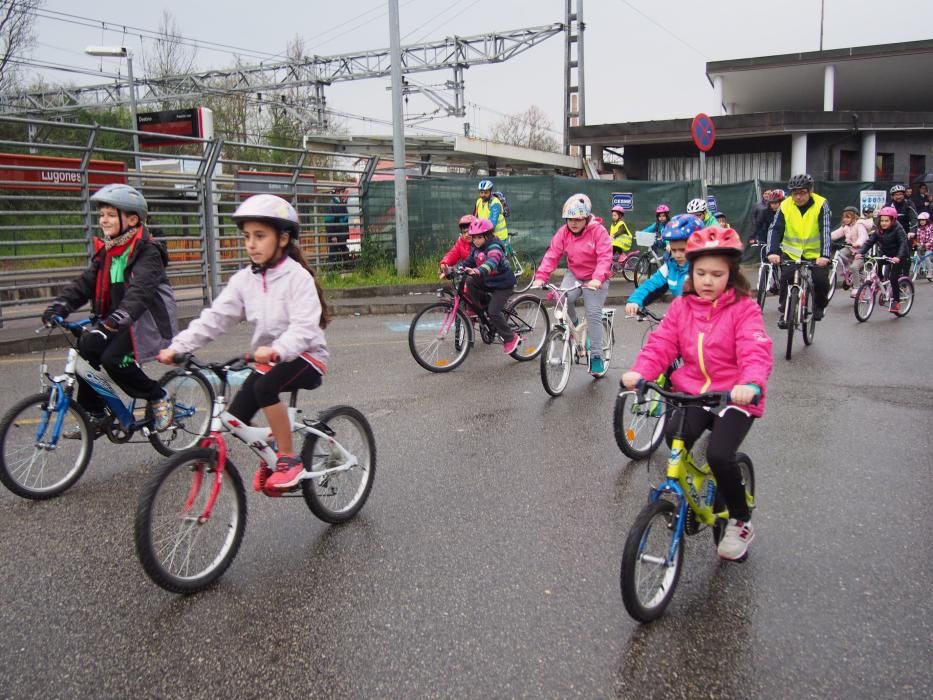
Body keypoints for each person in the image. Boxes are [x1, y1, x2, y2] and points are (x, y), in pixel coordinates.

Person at [157, 194, 330, 492]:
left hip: (305, 356)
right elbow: (216, 318)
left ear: (284, 238)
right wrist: (180, 346)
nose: (251, 243)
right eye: (247, 236)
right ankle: (271, 454)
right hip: (268, 362)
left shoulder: (297, 278)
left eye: (260, 236)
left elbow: (304, 327)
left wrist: (278, 350)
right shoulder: (244, 280)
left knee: (265, 388)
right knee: (236, 419)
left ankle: (289, 458)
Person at [621, 226, 773, 561]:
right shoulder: (682, 307)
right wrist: (641, 372)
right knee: (675, 434)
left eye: (717, 274)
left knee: (720, 455)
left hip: (734, 397)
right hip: (694, 393)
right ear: (690, 272)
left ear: (731, 274)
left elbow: (755, 349)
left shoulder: (744, 309)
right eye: (700, 272)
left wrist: (751, 384)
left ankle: (740, 520)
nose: (707, 280)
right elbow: (661, 344)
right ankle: (694, 492)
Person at [41, 184, 177, 438]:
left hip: (144, 321)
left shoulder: (148, 251)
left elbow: (140, 293)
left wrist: (112, 323)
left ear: (132, 219)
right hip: (116, 320)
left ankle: (158, 395)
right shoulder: (108, 251)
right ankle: (95, 414)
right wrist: (60, 305)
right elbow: (84, 284)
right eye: (101, 214)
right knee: (86, 350)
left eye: (111, 215)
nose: (103, 220)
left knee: (113, 359)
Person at [531, 193, 613, 376]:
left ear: (586, 218)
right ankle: (575, 326)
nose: (573, 223)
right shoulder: (563, 233)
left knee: (593, 313)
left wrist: (598, 278)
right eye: (570, 219)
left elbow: (605, 257)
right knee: (561, 298)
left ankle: (597, 356)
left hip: (596, 278)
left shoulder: (598, 231)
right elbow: (552, 254)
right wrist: (541, 276)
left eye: (578, 219)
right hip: (575, 274)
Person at [766, 173, 832, 328]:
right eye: (795, 193)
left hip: (816, 254)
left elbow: (826, 230)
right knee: (786, 278)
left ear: (810, 191)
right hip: (792, 252)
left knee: (820, 280)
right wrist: (772, 252)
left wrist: (825, 255)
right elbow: (775, 229)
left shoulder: (821, 204)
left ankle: (819, 306)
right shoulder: (785, 205)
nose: (799, 197)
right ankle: (784, 311)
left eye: (802, 193)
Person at [461, 217, 520, 354]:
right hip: (488, 281)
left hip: (503, 284)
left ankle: (510, 338)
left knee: (493, 311)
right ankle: (477, 308)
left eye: (479, 237)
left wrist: (478, 270)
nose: (476, 240)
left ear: (487, 236)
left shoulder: (494, 247)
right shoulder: (476, 248)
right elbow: (468, 262)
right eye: (473, 237)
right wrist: (453, 269)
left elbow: (492, 262)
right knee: (469, 281)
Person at [624, 214, 702, 314]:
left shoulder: (704, 269)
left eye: (683, 250)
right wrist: (635, 300)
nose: (677, 255)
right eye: (674, 250)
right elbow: (652, 284)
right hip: (682, 318)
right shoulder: (671, 267)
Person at [856, 206, 910, 313]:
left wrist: (898, 257)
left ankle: (896, 300)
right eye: (882, 221)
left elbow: (903, 244)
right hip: (885, 254)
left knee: (893, 277)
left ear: (893, 220)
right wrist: (860, 252)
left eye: (887, 221)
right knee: (877, 262)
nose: (884, 223)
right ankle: (879, 281)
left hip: (900, 256)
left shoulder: (898, 229)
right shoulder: (879, 230)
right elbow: (869, 242)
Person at [830, 205, 870, 297]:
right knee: (839, 254)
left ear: (854, 217)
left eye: (848, 217)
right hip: (850, 248)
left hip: (861, 250)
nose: (845, 219)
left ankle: (856, 287)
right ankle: (847, 271)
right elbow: (835, 234)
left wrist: (858, 243)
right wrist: (826, 237)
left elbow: (863, 236)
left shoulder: (859, 225)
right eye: (844, 217)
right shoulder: (845, 227)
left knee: (855, 267)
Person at [324, 187, 350, 265]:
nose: (345, 194)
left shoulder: (342, 204)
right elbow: (328, 221)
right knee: (334, 255)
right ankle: (332, 272)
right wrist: (332, 236)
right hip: (336, 236)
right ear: (337, 193)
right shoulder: (332, 204)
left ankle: (345, 269)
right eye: (343, 192)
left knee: (344, 253)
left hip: (342, 235)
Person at [914, 211, 933, 280]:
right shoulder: (919, 228)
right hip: (923, 246)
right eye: (920, 220)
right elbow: (918, 238)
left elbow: (932, 237)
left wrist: (929, 243)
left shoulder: (930, 227)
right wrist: (917, 243)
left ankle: (930, 272)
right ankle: (922, 267)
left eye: (923, 220)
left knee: (926, 257)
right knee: (918, 255)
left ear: (927, 220)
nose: (921, 222)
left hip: (930, 247)